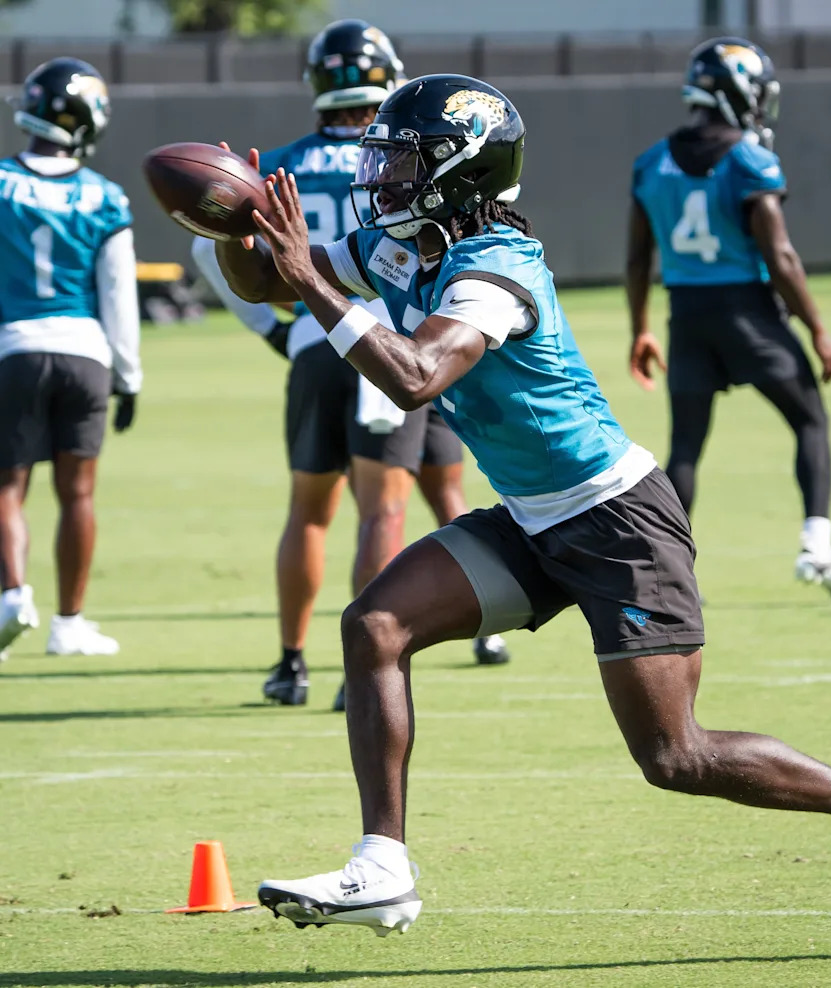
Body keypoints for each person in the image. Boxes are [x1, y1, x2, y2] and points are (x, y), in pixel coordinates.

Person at [210, 74, 831, 938]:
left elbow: (414, 377)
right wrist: (231, 223)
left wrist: (308, 278)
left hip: (617, 520)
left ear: (460, 174)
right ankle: (384, 867)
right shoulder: (398, 244)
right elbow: (267, 285)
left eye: (401, 162)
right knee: (374, 625)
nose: (379, 179)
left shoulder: (500, 266)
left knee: (674, 756)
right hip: (531, 516)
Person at [191, 21, 508, 709]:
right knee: (381, 515)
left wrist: (275, 333)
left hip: (311, 343)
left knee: (307, 512)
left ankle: (290, 664)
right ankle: (361, 667)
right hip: (381, 344)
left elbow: (211, 253)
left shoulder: (277, 161)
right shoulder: (403, 159)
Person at [626, 38, 831, 603]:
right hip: (749, 314)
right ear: (741, 92)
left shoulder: (650, 162)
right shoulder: (750, 161)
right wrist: (817, 327)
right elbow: (779, 257)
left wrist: (641, 327)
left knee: (686, 446)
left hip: (685, 314)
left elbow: (638, 258)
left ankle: (668, 570)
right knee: (809, 420)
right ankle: (817, 546)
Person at [0, 57, 141, 661]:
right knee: (77, 493)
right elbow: (118, 293)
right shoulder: (105, 195)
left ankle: (11, 597)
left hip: (16, 348)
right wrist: (129, 376)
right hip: (86, 354)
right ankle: (69, 623)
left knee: (8, 487)